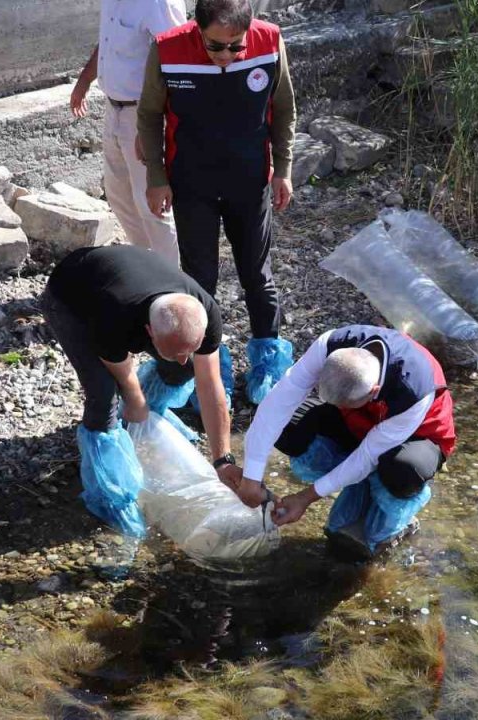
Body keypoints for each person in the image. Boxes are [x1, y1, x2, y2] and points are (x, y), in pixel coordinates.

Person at [135, 0, 297, 409]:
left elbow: (283, 110)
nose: (226, 57)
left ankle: (268, 364)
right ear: (195, 29)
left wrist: (284, 168)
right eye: (215, 47)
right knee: (200, 281)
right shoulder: (168, 49)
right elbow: (150, 115)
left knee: (257, 276)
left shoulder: (270, 40)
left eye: (236, 48)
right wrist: (156, 178)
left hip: (249, 181)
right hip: (193, 185)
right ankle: (211, 369)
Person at [41, 244, 246, 536]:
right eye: (173, 350)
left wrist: (223, 459)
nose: (183, 356)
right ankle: (111, 494)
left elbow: (210, 386)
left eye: (190, 349)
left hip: (130, 287)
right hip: (70, 295)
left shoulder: (205, 311)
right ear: (150, 333)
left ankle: (141, 427)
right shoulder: (114, 314)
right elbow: (120, 369)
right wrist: (136, 403)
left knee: (186, 368)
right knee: (104, 394)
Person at [238, 325, 458, 560]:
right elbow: (275, 405)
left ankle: (397, 517)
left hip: (416, 437)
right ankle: (356, 483)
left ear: (374, 391)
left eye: (344, 403)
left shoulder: (413, 390)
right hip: (359, 422)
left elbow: (367, 457)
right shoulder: (330, 345)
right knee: (288, 429)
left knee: (401, 470)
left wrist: (305, 498)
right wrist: (251, 478)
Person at [70, 0, 186, 263]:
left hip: (142, 114)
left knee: (153, 204)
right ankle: (148, 267)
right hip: (114, 108)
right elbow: (109, 44)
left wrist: (151, 126)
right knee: (119, 195)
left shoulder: (158, 3)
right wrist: (85, 80)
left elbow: (176, 61)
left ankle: (174, 283)